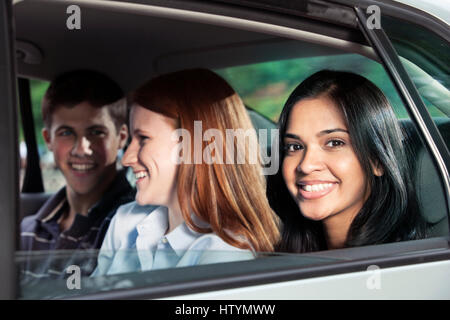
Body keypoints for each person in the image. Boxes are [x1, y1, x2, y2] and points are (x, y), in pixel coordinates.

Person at [92, 68, 280, 276]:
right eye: (131, 141)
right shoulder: (125, 221)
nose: (126, 158)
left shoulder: (225, 254)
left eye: (143, 139)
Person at [267, 70, 427, 253]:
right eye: (295, 147)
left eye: (334, 143)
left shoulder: (400, 263)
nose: (306, 165)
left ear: (377, 160)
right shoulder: (284, 254)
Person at [20, 70, 135, 280]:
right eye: (66, 133)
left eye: (96, 132)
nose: (82, 149)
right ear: (48, 140)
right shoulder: (27, 232)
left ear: (122, 137)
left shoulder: (133, 228)